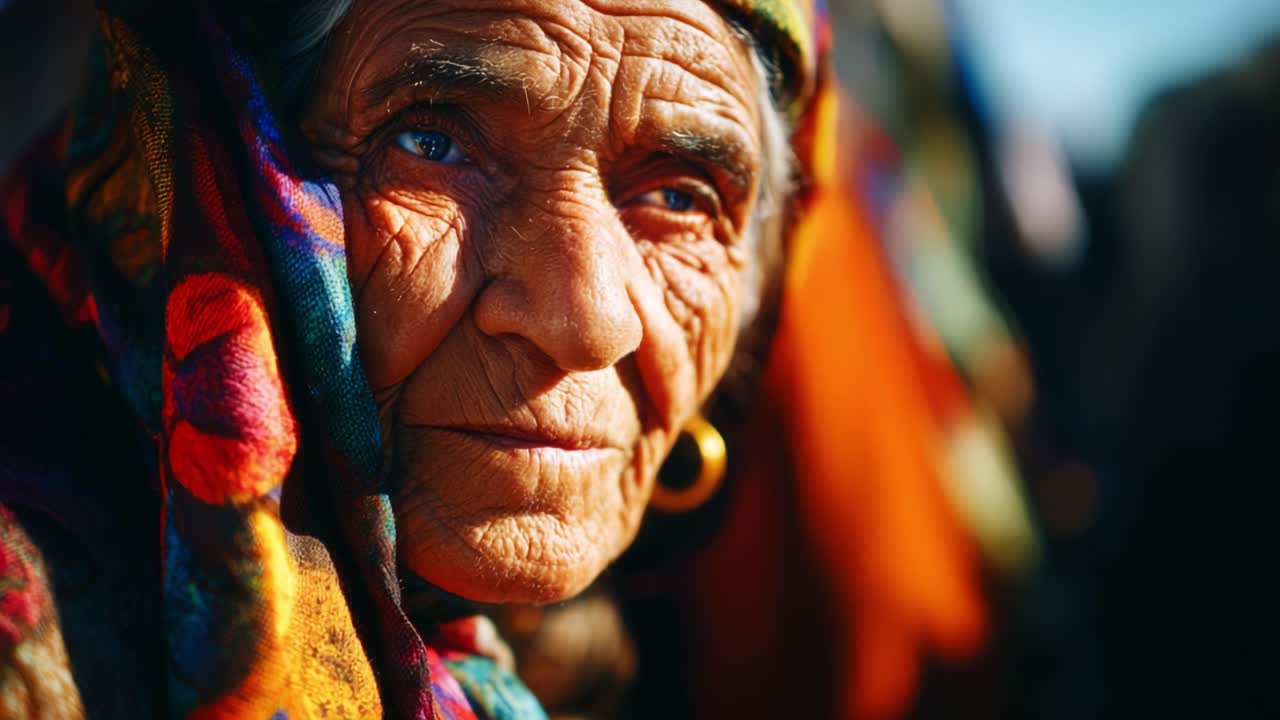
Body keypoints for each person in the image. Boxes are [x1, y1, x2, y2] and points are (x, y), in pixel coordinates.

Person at [0, 1, 822, 717]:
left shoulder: (647, 652)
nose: (589, 323)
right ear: (215, 154)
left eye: (678, 197)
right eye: (430, 142)